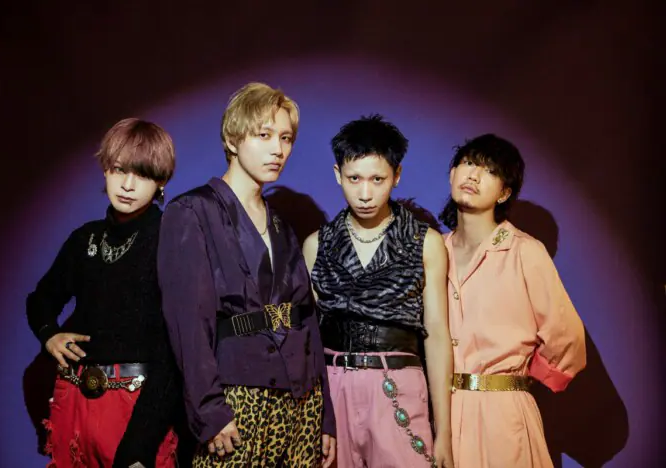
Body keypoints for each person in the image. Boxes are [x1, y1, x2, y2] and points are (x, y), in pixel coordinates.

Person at [157, 82, 336, 467]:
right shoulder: (192, 212)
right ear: (232, 139)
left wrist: (326, 417)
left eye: (286, 138)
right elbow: (188, 325)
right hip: (237, 402)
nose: (278, 150)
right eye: (264, 135)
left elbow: (307, 321)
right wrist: (209, 410)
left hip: (303, 402)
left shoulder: (282, 226)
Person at [26, 118, 180, 468]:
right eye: (119, 169)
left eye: (142, 174)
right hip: (72, 401)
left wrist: (140, 443)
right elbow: (40, 299)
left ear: (161, 181)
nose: (127, 185)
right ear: (106, 169)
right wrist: (49, 334)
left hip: (136, 407)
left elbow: (174, 352)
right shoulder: (85, 239)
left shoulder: (171, 238)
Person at [303, 114, 454, 468]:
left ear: (396, 175)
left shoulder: (425, 243)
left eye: (377, 179)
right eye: (354, 178)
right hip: (332, 389)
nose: (365, 193)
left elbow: (437, 335)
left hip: (397, 385)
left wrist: (444, 430)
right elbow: (306, 338)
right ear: (338, 174)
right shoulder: (316, 245)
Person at [439, 133, 587, 467]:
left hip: (502, 414)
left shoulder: (525, 251)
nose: (474, 175)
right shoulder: (434, 251)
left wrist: (519, 375)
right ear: (452, 173)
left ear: (504, 192)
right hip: (440, 414)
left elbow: (567, 338)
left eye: (490, 171)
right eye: (468, 163)